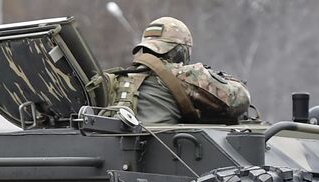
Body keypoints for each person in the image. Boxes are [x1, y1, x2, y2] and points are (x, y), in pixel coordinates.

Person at [106, 16, 251, 125]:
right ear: (181, 51)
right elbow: (240, 99)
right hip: (169, 156)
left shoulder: (120, 79)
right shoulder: (183, 74)